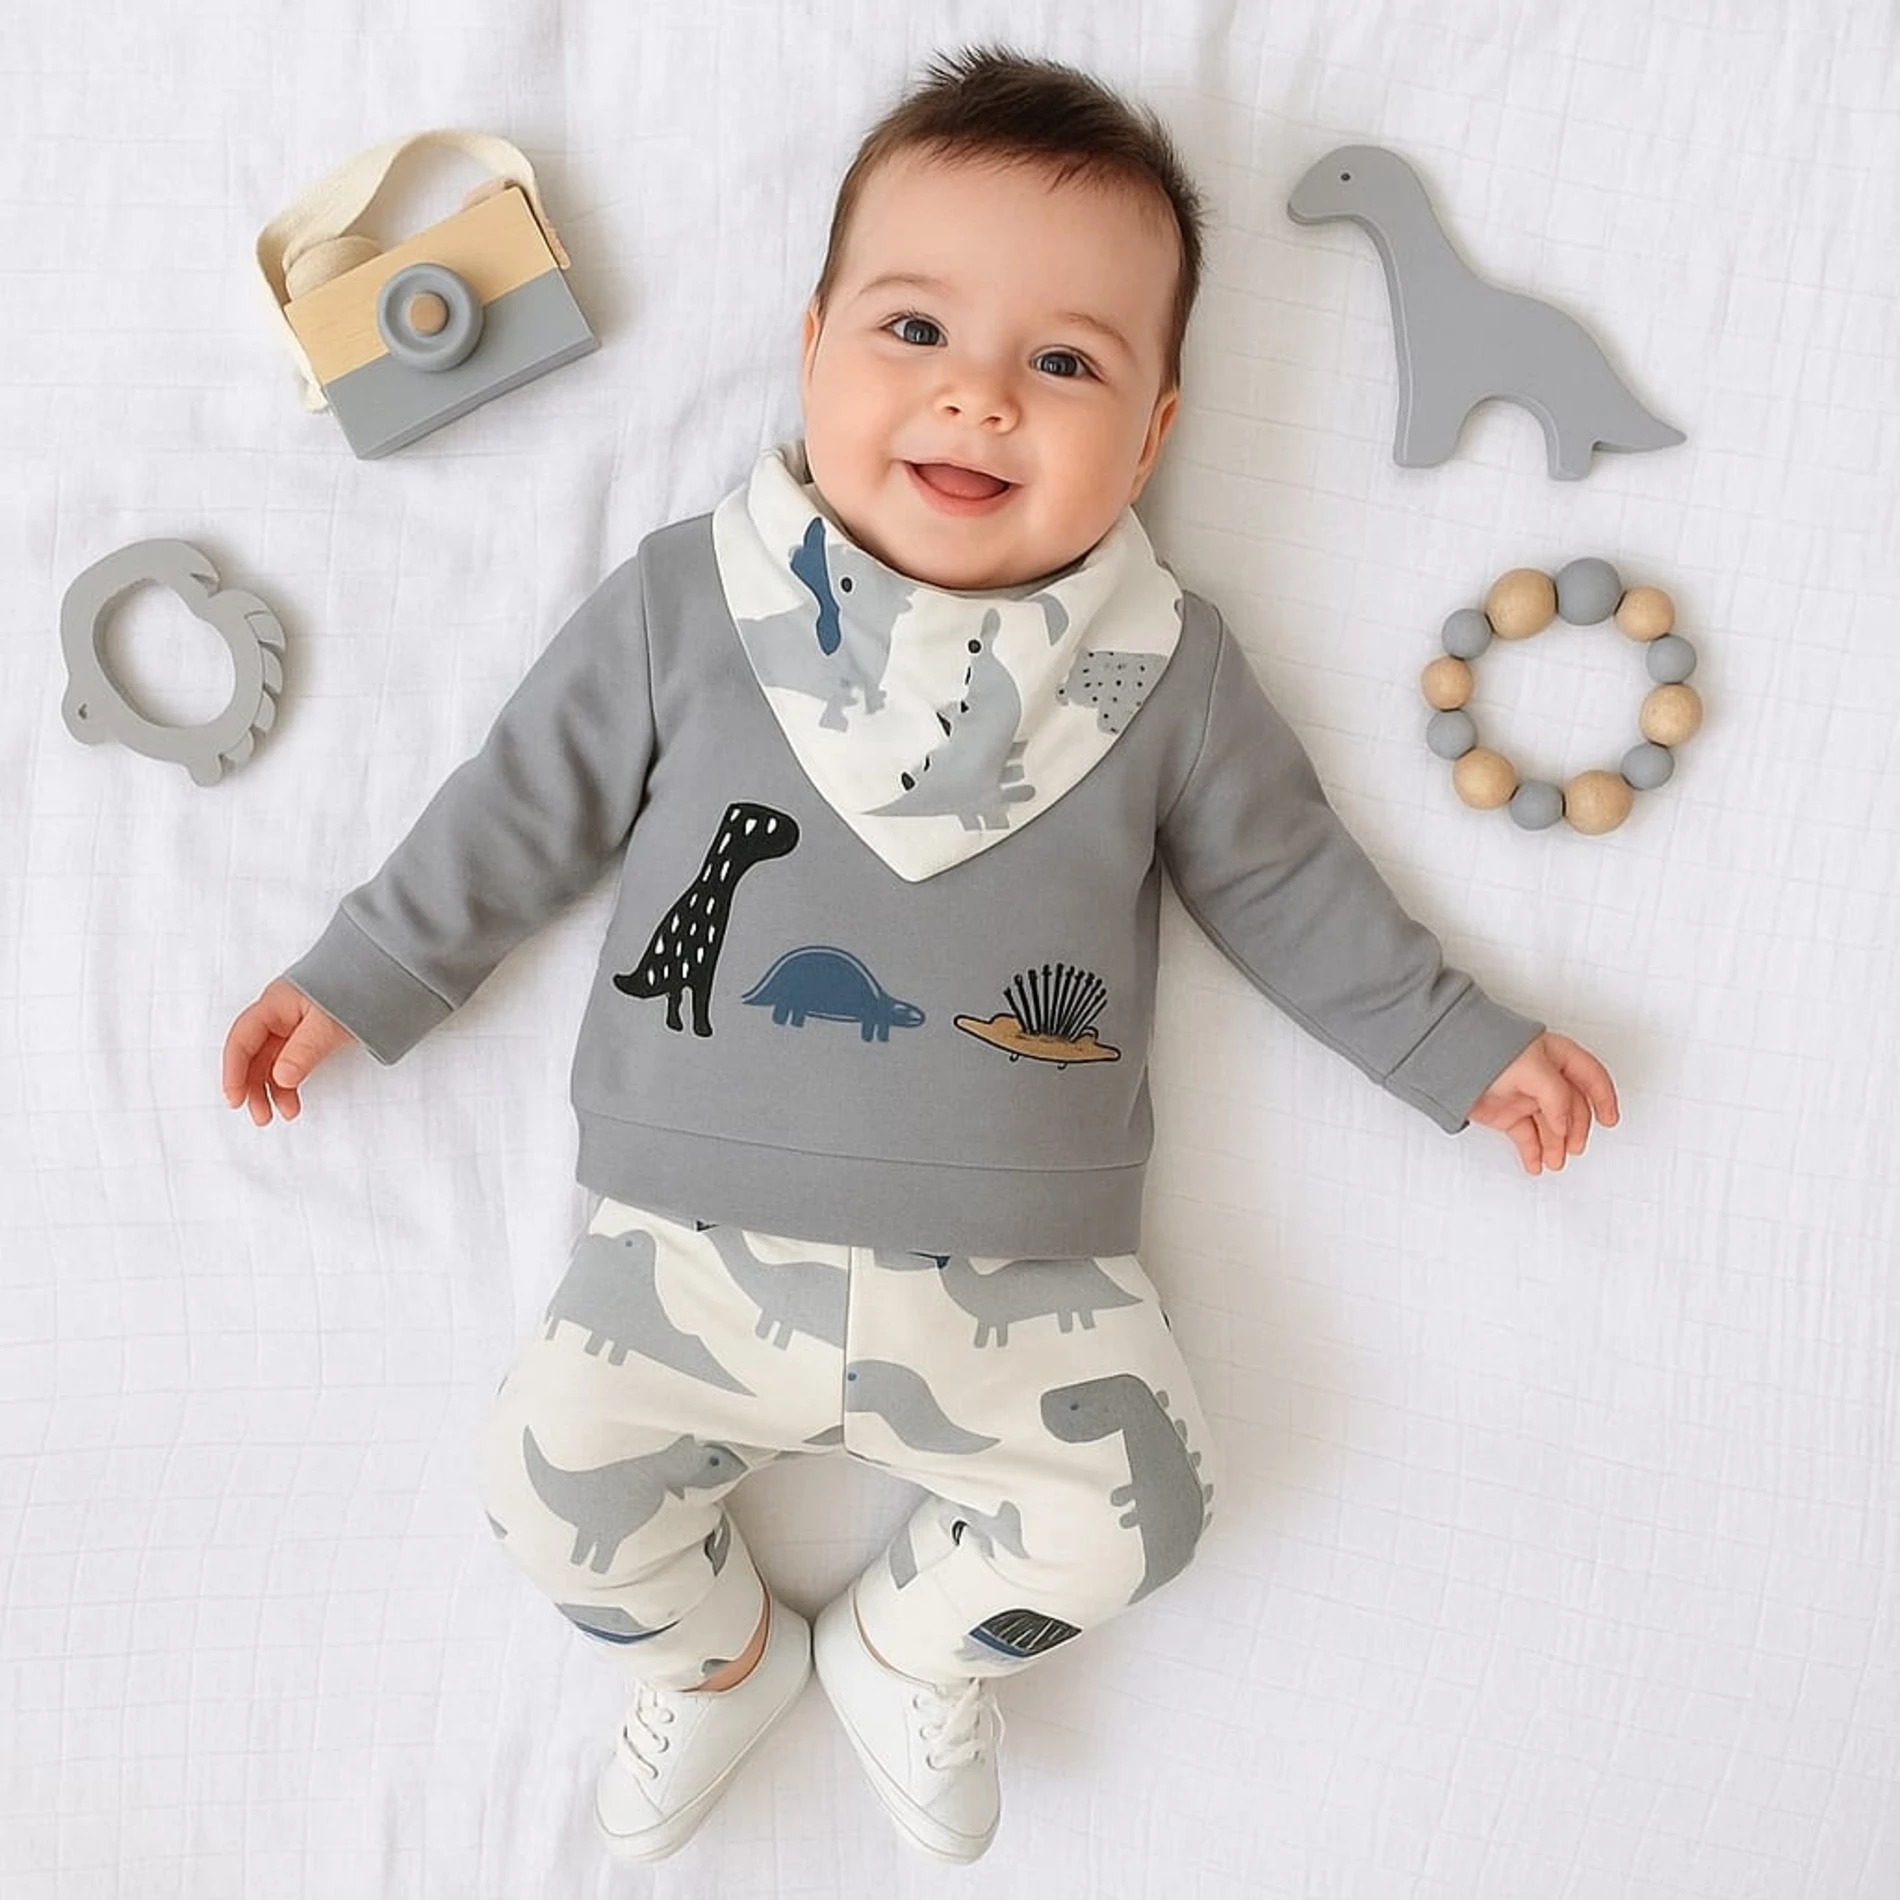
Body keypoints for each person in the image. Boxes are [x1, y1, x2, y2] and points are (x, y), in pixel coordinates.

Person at [222, 46, 1618, 1867]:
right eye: (914, 330)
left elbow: (1291, 886)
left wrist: (1454, 1041)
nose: (980, 396)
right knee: (543, 1498)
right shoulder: (688, 605)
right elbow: (516, 807)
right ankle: (721, 1662)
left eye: (1066, 364)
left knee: (1144, 1517)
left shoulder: (1164, 674)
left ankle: (907, 1654)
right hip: (680, 1251)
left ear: (1154, 436)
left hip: (1028, 1280)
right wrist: (360, 976)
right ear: (811, 350)